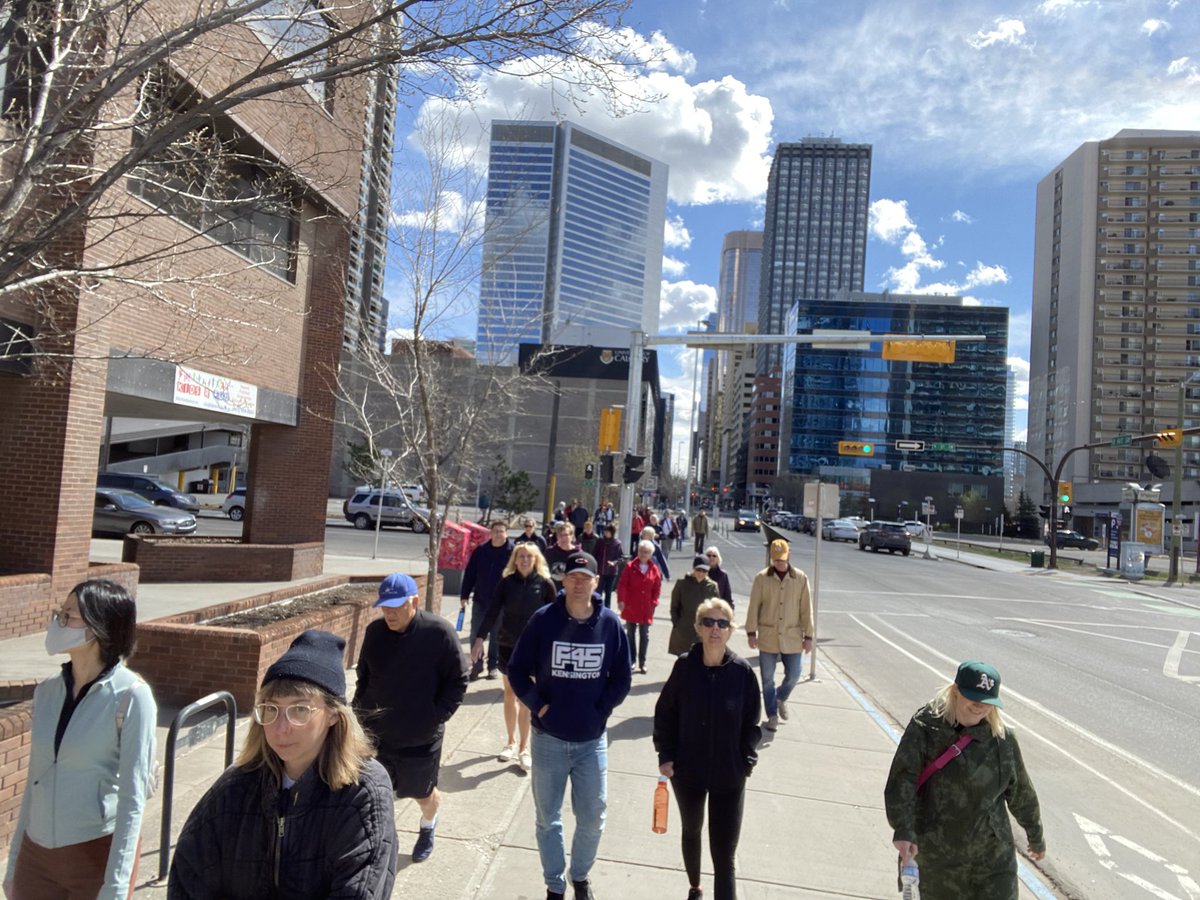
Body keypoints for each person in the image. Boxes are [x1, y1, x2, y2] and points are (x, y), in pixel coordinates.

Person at [169, 630, 397, 898]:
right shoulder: (235, 787)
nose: (281, 728)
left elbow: (359, 890)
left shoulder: (363, 792)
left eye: (299, 709)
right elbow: (189, 876)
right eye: (271, 709)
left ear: (333, 715)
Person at [5, 580, 157, 900]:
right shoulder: (46, 691)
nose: (58, 622)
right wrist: (15, 862)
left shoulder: (131, 697)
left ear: (99, 628)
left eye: (68, 615)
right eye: (60, 613)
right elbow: (35, 780)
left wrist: (116, 884)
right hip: (37, 857)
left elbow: (133, 799)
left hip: (93, 853)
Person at [508, 552, 632, 900]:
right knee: (548, 818)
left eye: (586, 577)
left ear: (596, 582)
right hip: (548, 739)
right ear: (564, 581)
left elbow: (622, 678)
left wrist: (601, 710)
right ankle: (554, 884)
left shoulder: (610, 624)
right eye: (573, 576)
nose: (579, 583)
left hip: (591, 740)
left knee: (593, 816)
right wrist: (539, 705)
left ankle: (579, 875)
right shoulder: (543, 620)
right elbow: (516, 670)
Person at [884, 661, 1046, 899]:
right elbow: (902, 781)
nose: (979, 707)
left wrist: (1036, 836)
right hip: (938, 860)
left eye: (987, 702)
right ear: (955, 692)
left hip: (992, 860)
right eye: (973, 698)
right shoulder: (926, 729)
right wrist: (904, 829)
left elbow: (1021, 792)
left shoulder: (1002, 740)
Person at [354, 574, 469, 862]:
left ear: (414, 602)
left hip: (420, 735)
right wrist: (358, 713)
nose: (389, 613)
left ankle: (428, 825)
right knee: (373, 792)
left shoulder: (439, 633)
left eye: (396, 606)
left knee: (422, 794)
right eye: (385, 607)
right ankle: (378, 842)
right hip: (377, 733)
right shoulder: (375, 632)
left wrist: (436, 716)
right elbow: (364, 677)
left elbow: (458, 680)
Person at [654, 598, 761, 900]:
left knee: (724, 855)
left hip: (730, 776)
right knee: (691, 830)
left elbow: (752, 724)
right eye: (709, 622)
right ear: (699, 628)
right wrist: (666, 755)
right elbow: (665, 714)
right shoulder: (685, 667)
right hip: (688, 772)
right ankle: (694, 887)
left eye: (722, 623)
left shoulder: (742, 674)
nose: (716, 629)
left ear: (730, 630)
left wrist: (746, 761)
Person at [473, 544, 557, 771]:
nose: (525, 560)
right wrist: (480, 639)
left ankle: (523, 748)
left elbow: (556, 618)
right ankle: (510, 742)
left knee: (525, 699)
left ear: (536, 559)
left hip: (534, 649)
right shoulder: (506, 583)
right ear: (515, 559)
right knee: (509, 695)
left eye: (529, 556)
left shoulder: (545, 584)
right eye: (521, 556)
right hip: (508, 646)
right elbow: (492, 612)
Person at [744, 539, 812, 732]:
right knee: (767, 679)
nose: (779, 563)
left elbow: (807, 609)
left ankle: (780, 697)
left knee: (795, 674)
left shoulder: (800, 578)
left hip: (792, 636)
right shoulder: (761, 578)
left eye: (782, 559)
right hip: (768, 636)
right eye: (775, 559)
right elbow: (754, 606)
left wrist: (809, 636)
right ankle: (772, 715)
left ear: (789, 555)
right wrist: (751, 632)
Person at [461, 520, 514, 680]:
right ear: (490, 533)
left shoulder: (512, 552)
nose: (498, 534)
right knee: (475, 634)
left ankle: (493, 665)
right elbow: (470, 573)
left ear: (506, 534)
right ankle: (476, 666)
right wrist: (464, 595)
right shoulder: (481, 551)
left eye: (501, 531)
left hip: (501, 603)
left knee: (497, 635)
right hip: (481, 600)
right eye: (495, 531)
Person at [616, 539, 663, 674]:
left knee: (644, 634)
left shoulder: (654, 569)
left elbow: (657, 588)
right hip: (631, 605)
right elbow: (622, 584)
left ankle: (642, 662)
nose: (643, 554)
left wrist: (654, 602)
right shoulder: (630, 566)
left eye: (646, 552)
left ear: (650, 554)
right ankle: (632, 660)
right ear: (638, 551)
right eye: (641, 551)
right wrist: (621, 600)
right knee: (630, 634)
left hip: (646, 607)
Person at [668, 556, 721, 657]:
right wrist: (676, 623)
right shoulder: (682, 584)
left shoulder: (712, 587)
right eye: (698, 570)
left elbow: (716, 609)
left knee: (700, 660)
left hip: (703, 630)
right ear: (694, 569)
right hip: (683, 630)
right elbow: (674, 606)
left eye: (704, 571)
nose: (701, 573)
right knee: (683, 661)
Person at [593, 525, 624, 609]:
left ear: (612, 533)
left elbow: (620, 558)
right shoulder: (600, 541)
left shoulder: (617, 543)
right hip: (600, 571)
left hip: (611, 572)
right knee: (598, 591)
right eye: (605, 531)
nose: (605, 533)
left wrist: (614, 563)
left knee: (608, 592)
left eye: (607, 531)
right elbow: (594, 554)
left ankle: (607, 608)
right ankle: (597, 607)